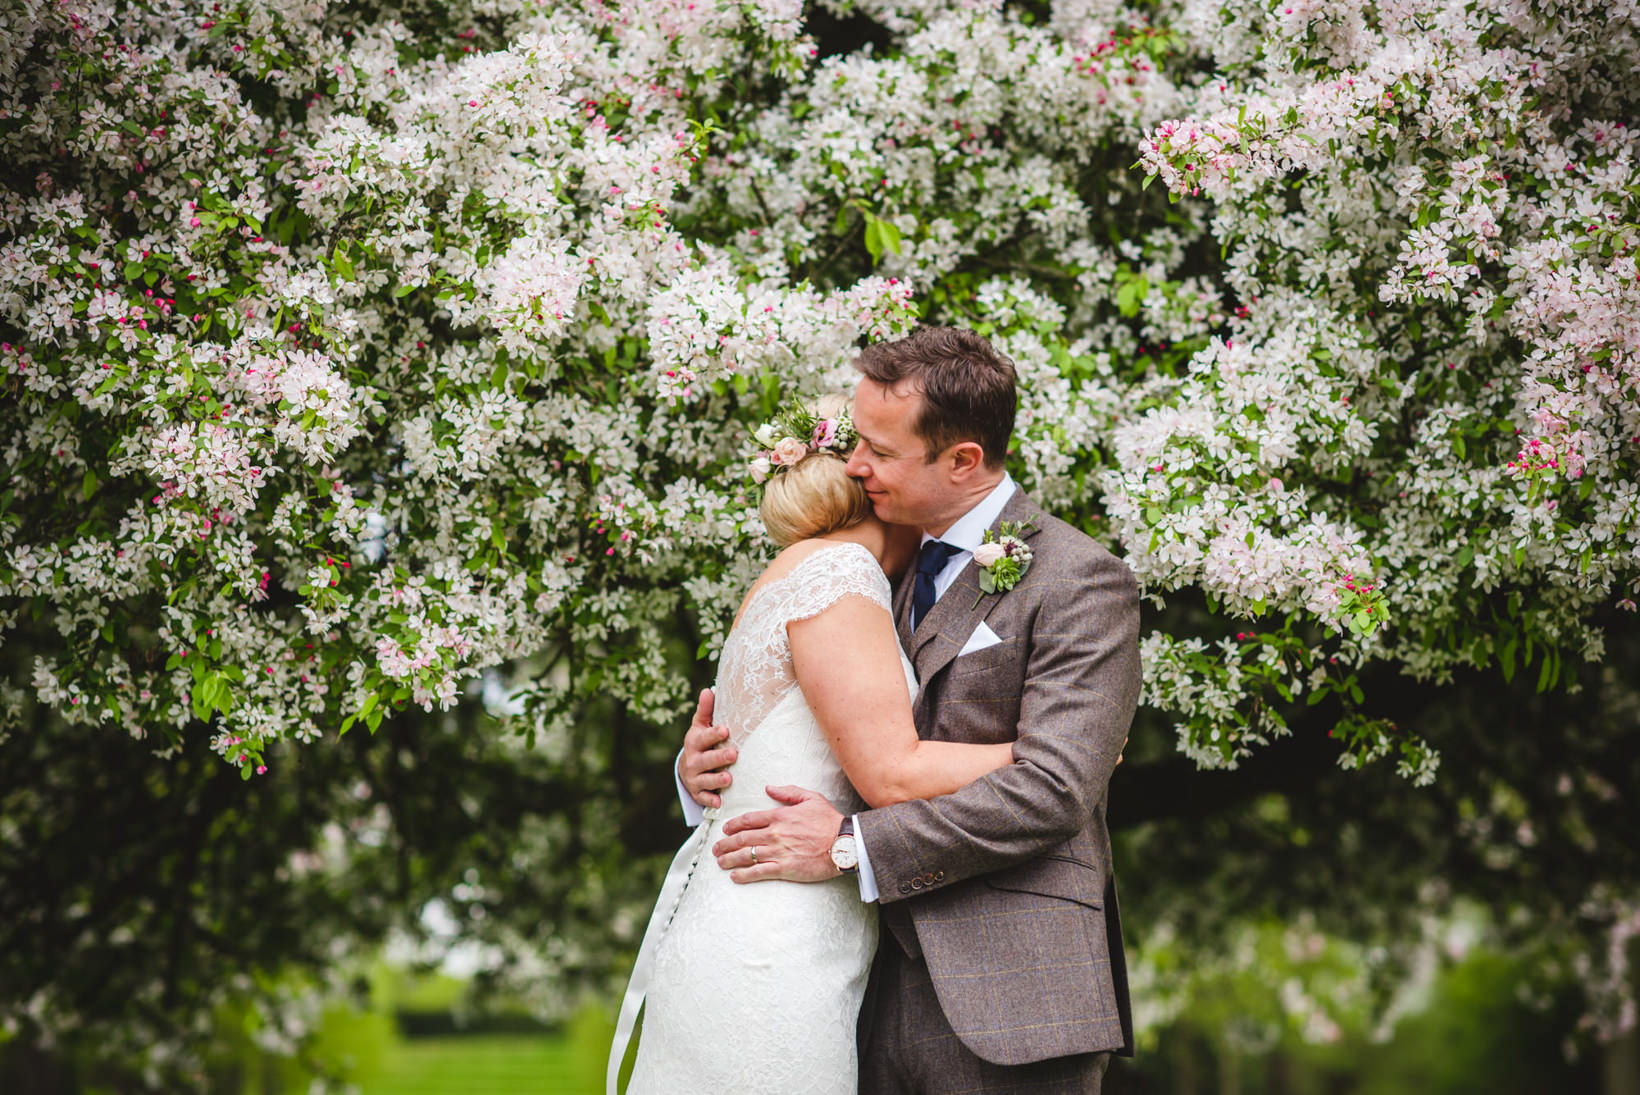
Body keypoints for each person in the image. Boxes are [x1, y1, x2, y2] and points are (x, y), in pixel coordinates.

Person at [682, 326, 1142, 1093]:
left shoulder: (1080, 581)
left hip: (1013, 994)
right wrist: (702, 770)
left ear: (962, 459)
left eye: (880, 452)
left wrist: (850, 847)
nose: (855, 466)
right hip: (851, 988)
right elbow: (809, 716)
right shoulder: (860, 566)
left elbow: (1054, 789)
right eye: (856, 441)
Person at [608, 395, 1019, 1095]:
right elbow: (893, 770)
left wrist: (691, 771)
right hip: (775, 942)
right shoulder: (841, 577)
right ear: (873, 488)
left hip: (754, 917)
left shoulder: (798, 571)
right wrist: (1048, 756)